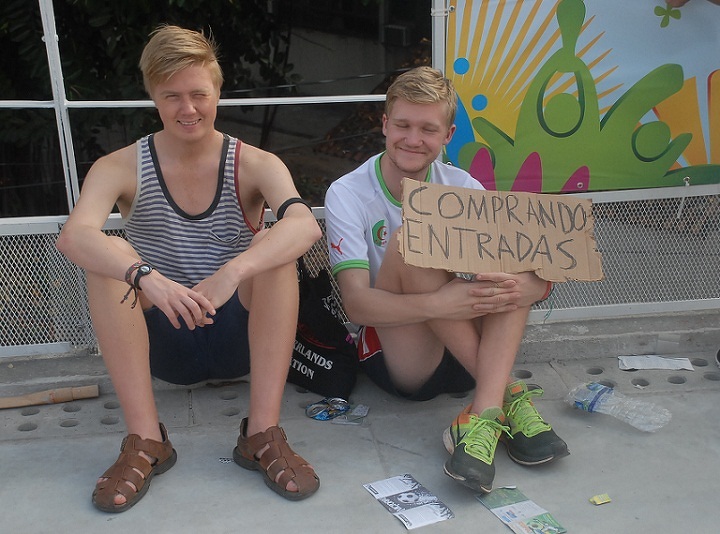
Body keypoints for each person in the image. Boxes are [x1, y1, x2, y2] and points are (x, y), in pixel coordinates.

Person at [56, 25, 322, 512]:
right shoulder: (120, 166)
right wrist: (149, 279)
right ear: (153, 98)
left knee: (273, 247)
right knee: (108, 257)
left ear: (218, 92)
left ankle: (262, 433)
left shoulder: (255, 162)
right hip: (166, 340)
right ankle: (146, 440)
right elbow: (74, 236)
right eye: (172, 96)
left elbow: (305, 226)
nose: (188, 109)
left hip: (240, 337)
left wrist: (231, 273)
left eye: (199, 94)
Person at [324, 66, 568, 494]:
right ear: (385, 124)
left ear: (448, 135)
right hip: (405, 357)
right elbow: (357, 306)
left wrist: (534, 286)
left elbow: (533, 274)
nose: (413, 139)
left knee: (508, 261)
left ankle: (484, 413)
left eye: (428, 129)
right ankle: (509, 395)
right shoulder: (347, 192)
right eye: (403, 125)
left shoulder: (463, 186)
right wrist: (441, 303)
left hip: (467, 357)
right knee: (410, 239)